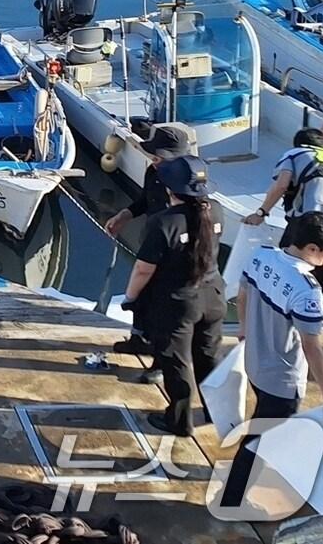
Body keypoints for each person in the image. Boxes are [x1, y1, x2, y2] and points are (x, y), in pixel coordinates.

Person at [218, 212, 323, 509]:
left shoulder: (262, 256)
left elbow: (243, 293)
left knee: (262, 427)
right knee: (261, 440)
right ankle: (233, 499)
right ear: (312, 249)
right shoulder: (307, 290)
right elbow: (311, 346)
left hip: (255, 364)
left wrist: (243, 329)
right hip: (282, 379)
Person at [122, 155, 226, 437]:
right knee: (209, 357)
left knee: (176, 361)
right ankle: (218, 412)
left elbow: (143, 269)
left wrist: (130, 298)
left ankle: (180, 421)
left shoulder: (164, 223)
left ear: (170, 189)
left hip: (178, 302)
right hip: (214, 296)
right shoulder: (216, 211)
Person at [103, 122, 197, 361]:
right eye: (153, 155)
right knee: (144, 294)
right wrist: (124, 215)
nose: (154, 159)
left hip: (175, 245)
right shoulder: (154, 171)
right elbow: (145, 200)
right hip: (153, 236)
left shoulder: (186, 182)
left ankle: (160, 358)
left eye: (160, 156)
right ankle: (138, 338)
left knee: (162, 301)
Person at [243, 126, 323, 296]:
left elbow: (282, 185)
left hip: (313, 218)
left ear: (298, 143)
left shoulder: (295, 153)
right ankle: (315, 314)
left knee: (288, 263)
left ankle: (283, 310)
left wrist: (261, 213)